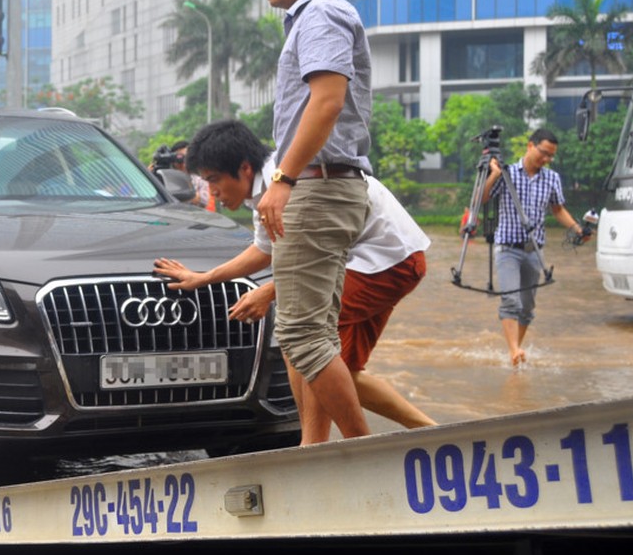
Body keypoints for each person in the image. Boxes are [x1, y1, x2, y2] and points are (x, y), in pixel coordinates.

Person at [154, 120, 435, 444]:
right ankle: (431, 431)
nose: (211, 192)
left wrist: (271, 291)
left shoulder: (290, 182)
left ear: (244, 168)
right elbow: (266, 248)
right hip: (382, 258)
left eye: (214, 180)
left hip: (385, 261)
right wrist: (204, 278)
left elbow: (314, 265)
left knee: (301, 336)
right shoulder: (269, 188)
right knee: (342, 370)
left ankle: (316, 446)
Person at [251, 0, 374, 439]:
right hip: (326, 185)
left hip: (318, 186)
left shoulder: (321, 13)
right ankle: (311, 449)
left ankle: (366, 453)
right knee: (312, 332)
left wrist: (282, 178)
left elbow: (326, 102)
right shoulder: (311, 18)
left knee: (300, 334)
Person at [484, 128, 591, 366]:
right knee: (511, 301)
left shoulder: (552, 178)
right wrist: (493, 174)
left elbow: (558, 209)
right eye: (544, 153)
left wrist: (577, 229)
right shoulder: (508, 173)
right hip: (507, 248)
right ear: (530, 146)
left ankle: (516, 350)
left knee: (528, 307)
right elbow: (482, 198)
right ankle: (513, 350)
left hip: (535, 250)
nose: (547, 159)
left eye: (551, 156)